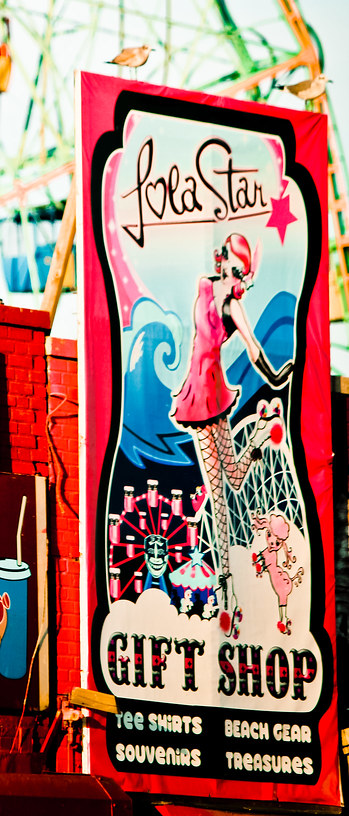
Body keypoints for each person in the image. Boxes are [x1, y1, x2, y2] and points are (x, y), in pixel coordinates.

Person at [171, 233, 292, 636]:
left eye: (240, 269)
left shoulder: (229, 302)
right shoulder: (205, 286)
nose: (234, 273)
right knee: (228, 481)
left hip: (209, 393)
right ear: (222, 261)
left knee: (222, 489)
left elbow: (254, 345)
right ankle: (258, 436)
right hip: (201, 390)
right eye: (233, 265)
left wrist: (275, 375)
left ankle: (226, 586)